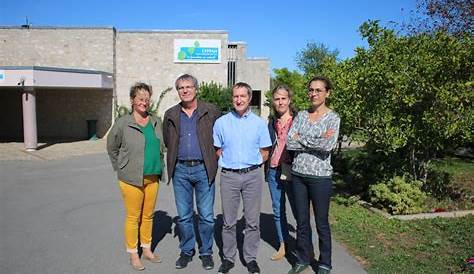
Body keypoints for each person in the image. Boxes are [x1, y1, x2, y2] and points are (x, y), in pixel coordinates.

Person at [162, 74, 221, 270]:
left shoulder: (211, 111)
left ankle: (206, 252)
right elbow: (167, 140)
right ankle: (187, 250)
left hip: (204, 169)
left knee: (206, 215)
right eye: (181, 88)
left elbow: (220, 137)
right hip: (180, 170)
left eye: (188, 86)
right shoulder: (171, 114)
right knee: (185, 216)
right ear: (178, 91)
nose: (185, 90)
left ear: (196, 88)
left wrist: (215, 157)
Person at [213, 82, 272, 274]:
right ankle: (229, 258)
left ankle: (250, 258)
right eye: (235, 96)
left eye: (242, 96)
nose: (238, 100)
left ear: (249, 98)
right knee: (229, 221)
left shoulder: (259, 123)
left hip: (252, 175)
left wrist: (253, 164)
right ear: (232, 99)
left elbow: (265, 151)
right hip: (229, 176)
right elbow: (217, 149)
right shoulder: (221, 122)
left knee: (252, 221)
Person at [107, 82, 164, 271]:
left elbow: (161, 146)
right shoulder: (123, 123)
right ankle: (133, 254)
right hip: (130, 179)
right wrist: (120, 166)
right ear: (132, 100)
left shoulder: (156, 121)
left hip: (152, 178)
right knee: (133, 216)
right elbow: (112, 146)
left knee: (148, 216)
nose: (144, 102)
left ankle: (146, 249)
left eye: (147, 99)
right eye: (140, 99)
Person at [286, 76, 340, 274]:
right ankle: (303, 258)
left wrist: (302, 138)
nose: (314, 94)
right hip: (299, 175)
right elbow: (290, 142)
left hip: (321, 178)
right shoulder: (300, 115)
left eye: (318, 90)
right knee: (301, 221)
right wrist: (315, 139)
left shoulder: (333, 118)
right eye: (311, 90)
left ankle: (325, 263)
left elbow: (328, 146)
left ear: (327, 93)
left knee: (321, 223)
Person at [266, 85, 297, 261]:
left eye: (283, 98)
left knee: (299, 210)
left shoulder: (298, 120)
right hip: (274, 170)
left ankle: (304, 247)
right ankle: (283, 244)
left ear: (289, 100)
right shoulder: (272, 122)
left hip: (293, 171)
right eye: (277, 99)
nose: (280, 102)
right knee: (278, 210)